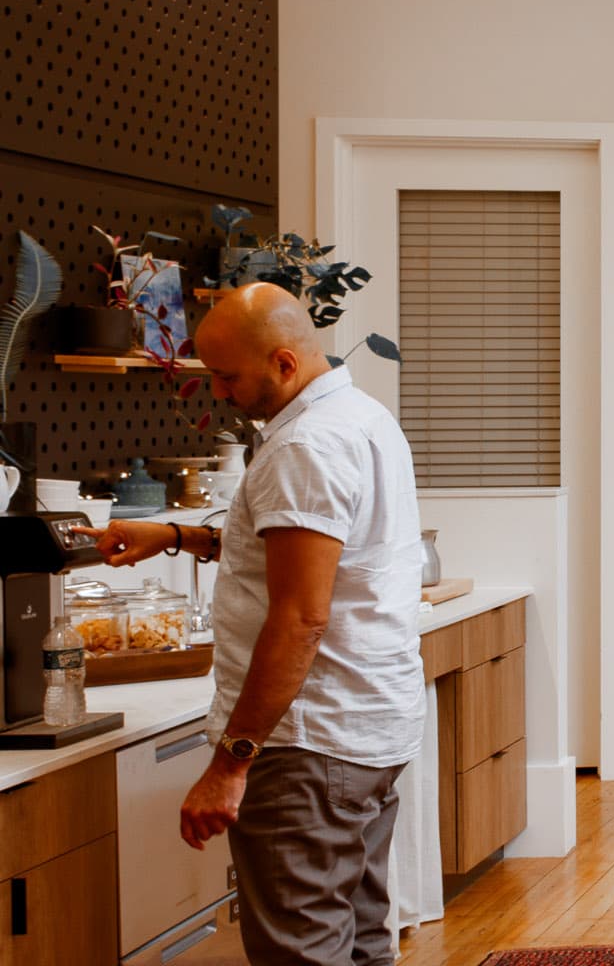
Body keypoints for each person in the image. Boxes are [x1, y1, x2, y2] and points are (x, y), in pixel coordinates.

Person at [98, 284, 424, 966]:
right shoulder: (363, 416)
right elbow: (294, 553)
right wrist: (179, 535)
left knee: (301, 954)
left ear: (281, 363)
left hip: (307, 746)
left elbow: (301, 616)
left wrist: (229, 764)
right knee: (361, 943)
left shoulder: (305, 447)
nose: (218, 391)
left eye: (227, 376)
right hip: (368, 731)